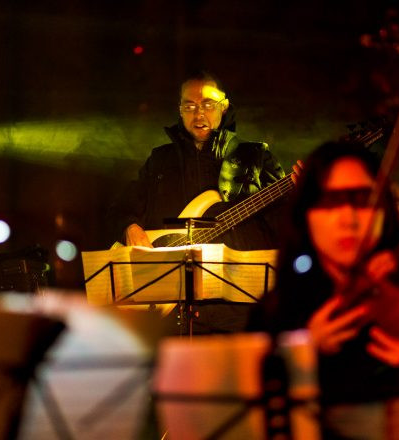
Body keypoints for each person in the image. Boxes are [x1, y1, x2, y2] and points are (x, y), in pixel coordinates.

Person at [249, 141, 399, 439]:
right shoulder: (275, 313)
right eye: (330, 201)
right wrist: (303, 353)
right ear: (306, 214)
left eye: (363, 200)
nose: (349, 219)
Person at [106, 70, 301, 334]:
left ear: (224, 106)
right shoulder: (160, 161)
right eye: (189, 106)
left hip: (239, 311)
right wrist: (130, 226)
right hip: (171, 311)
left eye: (208, 104)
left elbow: (285, 228)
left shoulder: (254, 156)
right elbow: (122, 207)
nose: (199, 114)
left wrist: (300, 195)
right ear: (180, 110)